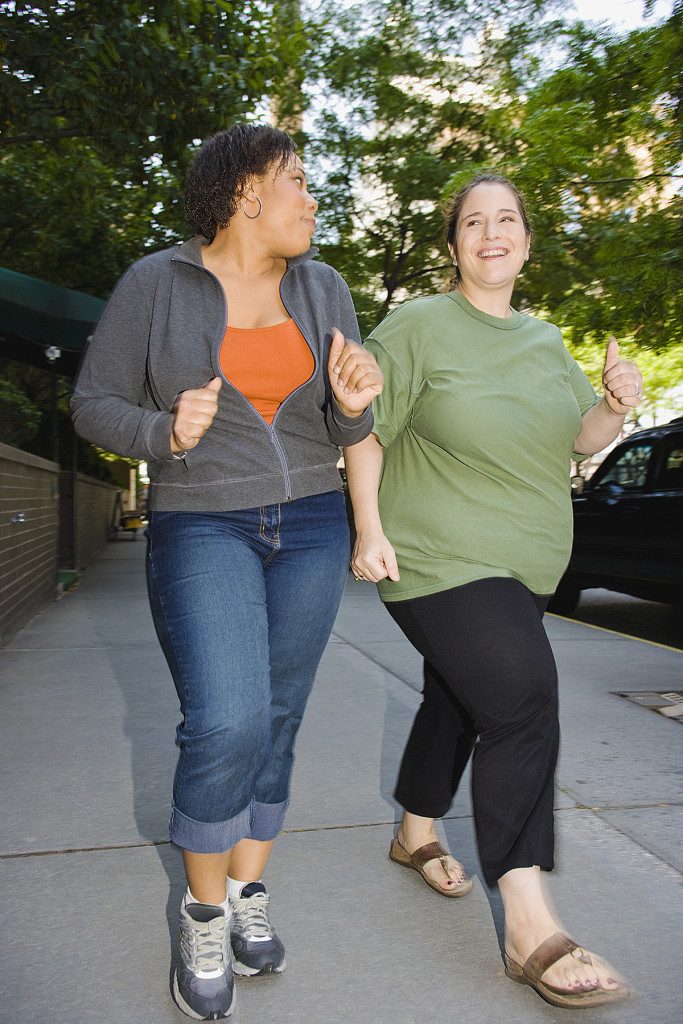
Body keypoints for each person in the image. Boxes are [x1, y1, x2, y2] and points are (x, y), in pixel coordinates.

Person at [71, 124, 382, 1021]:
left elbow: (349, 428)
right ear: (247, 192)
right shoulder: (155, 284)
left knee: (278, 718)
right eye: (297, 181)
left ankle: (248, 893)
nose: (311, 198)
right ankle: (201, 912)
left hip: (315, 524)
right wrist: (162, 431)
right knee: (226, 718)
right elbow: (92, 401)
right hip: (203, 521)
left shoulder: (324, 288)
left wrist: (356, 406)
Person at [345, 172, 641, 1009]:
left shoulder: (546, 340)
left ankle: (413, 829)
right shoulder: (416, 326)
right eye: (472, 221)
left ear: (525, 241)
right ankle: (526, 917)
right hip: (436, 558)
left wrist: (613, 408)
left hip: (525, 567)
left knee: (458, 697)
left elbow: (572, 437)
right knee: (519, 700)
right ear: (452, 246)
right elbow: (365, 424)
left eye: (505, 219)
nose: (490, 232)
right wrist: (367, 526)